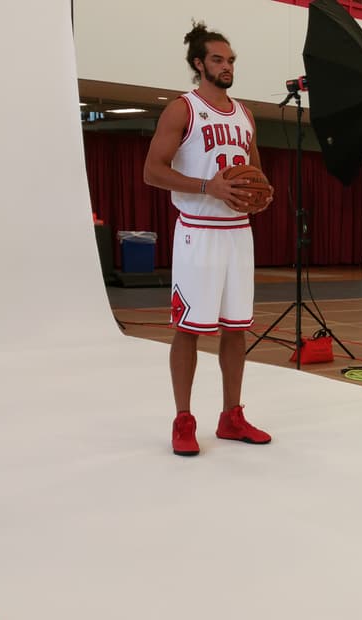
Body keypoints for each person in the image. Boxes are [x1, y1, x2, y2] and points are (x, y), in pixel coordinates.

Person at [144, 22, 274, 455]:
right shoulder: (183, 109)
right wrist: (207, 188)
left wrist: (261, 193)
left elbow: (254, 170)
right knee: (189, 328)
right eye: (218, 59)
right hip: (198, 232)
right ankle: (183, 419)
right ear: (199, 64)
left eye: (231, 60)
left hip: (238, 234)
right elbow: (152, 171)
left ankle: (231, 416)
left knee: (236, 329)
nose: (227, 66)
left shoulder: (245, 114)